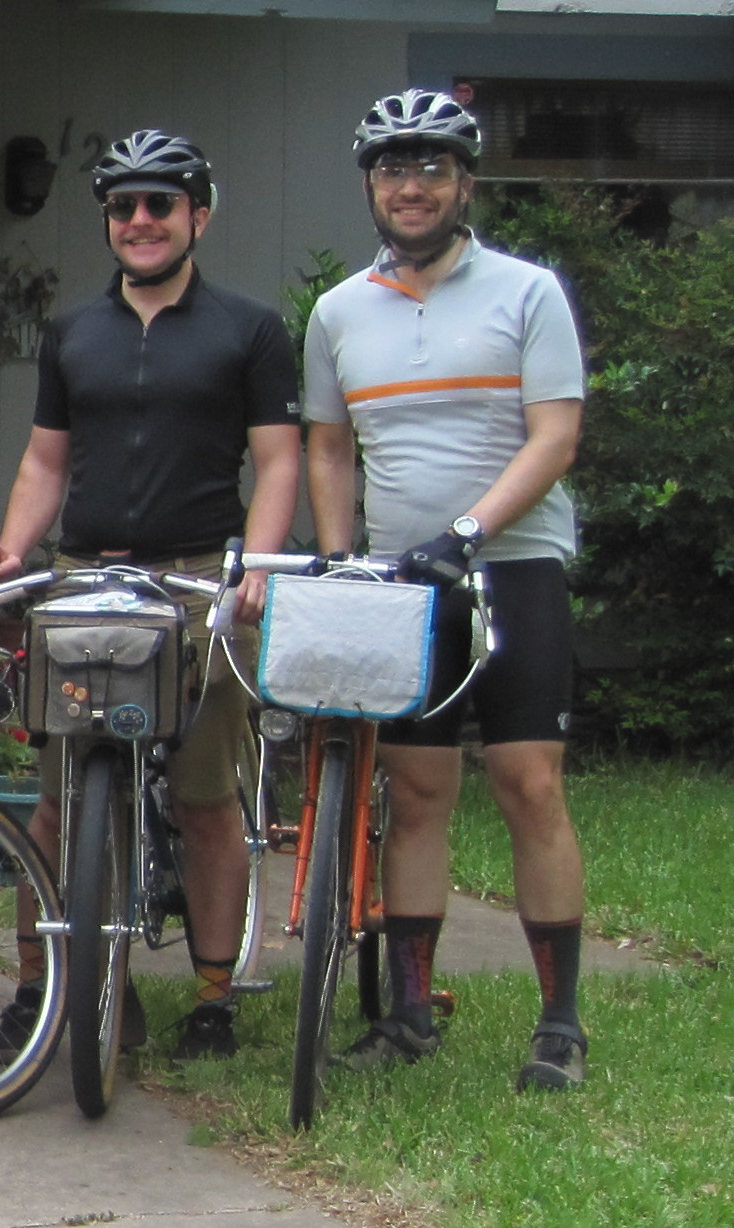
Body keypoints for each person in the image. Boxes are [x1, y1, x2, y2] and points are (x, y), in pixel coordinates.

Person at [0, 129, 297, 1066]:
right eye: (123, 206)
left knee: (204, 798)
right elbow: (46, 457)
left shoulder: (250, 330)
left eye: (161, 203)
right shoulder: (77, 332)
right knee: (60, 799)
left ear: (199, 214)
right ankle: (37, 986)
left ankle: (214, 995)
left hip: (199, 581)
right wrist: (12, 546)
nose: (141, 221)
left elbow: (278, 461)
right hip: (86, 578)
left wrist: (256, 567)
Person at [303, 90, 591, 1091]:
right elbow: (329, 450)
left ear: (464, 183)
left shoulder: (526, 292)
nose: (410, 185)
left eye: (429, 168)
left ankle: (558, 1022)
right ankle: (412, 1011)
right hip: (397, 580)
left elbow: (554, 436)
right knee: (416, 790)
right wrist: (342, 557)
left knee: (526, 781)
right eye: (391, 169)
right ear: (371, 186)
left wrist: (467, 531)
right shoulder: (338, 311)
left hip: (509, 566)